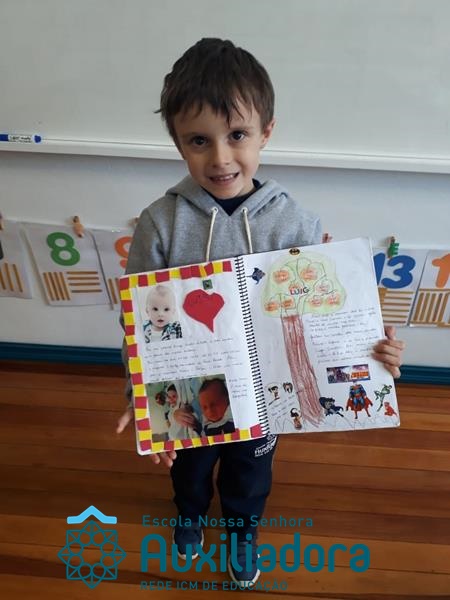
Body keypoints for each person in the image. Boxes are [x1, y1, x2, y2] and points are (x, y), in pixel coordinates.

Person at [116, 38, 405, 587]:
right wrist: (137, 392)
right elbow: (139, 322)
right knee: (190, 470)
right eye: (199, 140)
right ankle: (189, 516)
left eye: (237, 135)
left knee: (250, 474)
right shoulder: (160, 224)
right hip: (191, 386)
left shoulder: (297, 223)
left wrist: (373, 353)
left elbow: (321, 318)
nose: (221, 158)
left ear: (266, 131)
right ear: (178, 143)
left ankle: (241, 531)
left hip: (266, 394)